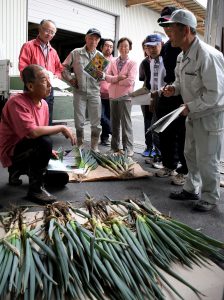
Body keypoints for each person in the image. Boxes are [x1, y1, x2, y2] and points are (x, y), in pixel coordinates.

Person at [160, 9, 224, 211]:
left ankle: (210, 197)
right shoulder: (182, 56)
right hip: (192, 112)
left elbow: (215, 94)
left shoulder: (208, 55)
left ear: (185, 29)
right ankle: (191, 188)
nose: (169, 34)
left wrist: (190, 107)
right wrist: (173, 88)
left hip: (210, 115)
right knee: (190, 154)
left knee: (208, 158)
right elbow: (181, 81)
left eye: (172, 30)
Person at [0, 64, 76, 203]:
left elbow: (41, 132)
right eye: (44, 80)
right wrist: (62, 128)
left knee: (61, 179)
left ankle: (17, 171)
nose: (49, 85)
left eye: (49, 79)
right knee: (44, 142)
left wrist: (49, 151)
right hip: (13, 152)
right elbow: (33, 133)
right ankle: (35, 190)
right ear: (30, 86)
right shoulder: (16, 102)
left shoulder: (44, 104)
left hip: (28, 149)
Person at [155, 6, 188, 185]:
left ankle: (184, 169)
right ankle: (169, 165)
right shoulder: (167, 46)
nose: (168, 28)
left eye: (170, 24)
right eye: (164, 25)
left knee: (182, 134)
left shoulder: (186, 45)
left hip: (184, 96)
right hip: (169, 92)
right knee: (164, 131)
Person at [62, 28, 102, 152]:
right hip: (79, 93)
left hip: (95, 93)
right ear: (86, 38)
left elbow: (98, 75)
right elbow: (64, 68)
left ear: (98, 41)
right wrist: (70, 79)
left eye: (96, 39)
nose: (93, 41)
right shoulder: (76, 52)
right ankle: (80, 145)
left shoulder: (99, 56)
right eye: (91, 38)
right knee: (79, 122)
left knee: (96, 123)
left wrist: (101, 75)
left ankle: (94, 146)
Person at [18, 19, 63, 125]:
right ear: (40, 29)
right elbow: (23, 68)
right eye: (47, 30)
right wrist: (32, 84)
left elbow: (59, 68)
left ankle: (45, 139)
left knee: (47, 117)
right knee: (31, 118)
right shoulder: (28, 46)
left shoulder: (53, 51)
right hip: (33, 89)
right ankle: (31, 139)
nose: (49, 34)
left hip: (48, 89)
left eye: (52, 32)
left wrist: (57, 76)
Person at [104, 37, 137, 157]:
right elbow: (106, 77)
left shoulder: (133, 63)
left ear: (130, 48)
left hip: (125, 96)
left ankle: (128, 148)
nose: (124, 48)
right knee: (114, 123)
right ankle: (114, 148)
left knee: (126, 123)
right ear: (118, 47)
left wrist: (115, 80)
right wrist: (118, 78)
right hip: (113, 96)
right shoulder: (113, 62)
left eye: (126, 46)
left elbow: (130, 80)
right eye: (121, 45)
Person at [142, 34, 166, 166]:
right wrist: (152, 100)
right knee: (154, 130)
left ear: (161, 44)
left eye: (154, 46)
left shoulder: (166, 60)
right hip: (155, 100)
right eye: (148, 47)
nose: (151, 49)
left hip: (167, 100)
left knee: (161, 132)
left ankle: (165, 160)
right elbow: (152, 82)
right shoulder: (151, 62)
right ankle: (160, 156)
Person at [100, 39, 114, 146]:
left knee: (108, 116)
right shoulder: (98, 59)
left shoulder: (115, 61)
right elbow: (92, 76)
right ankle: (111, 130)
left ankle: (104, 138)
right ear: (102, 47)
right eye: (106, 45)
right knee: (101, 116)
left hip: (110, 94)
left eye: (110, 46)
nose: (108, 48)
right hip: (98, 93)